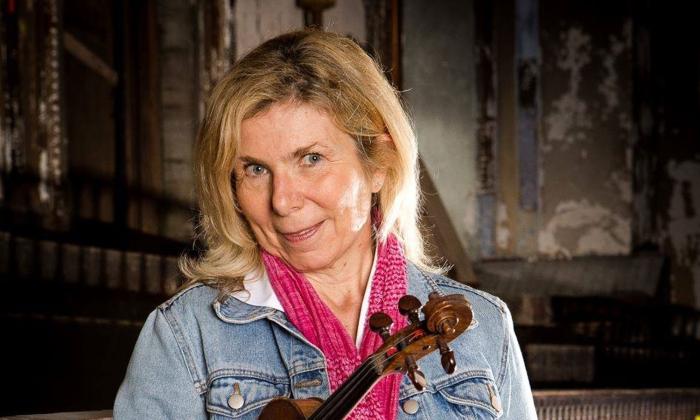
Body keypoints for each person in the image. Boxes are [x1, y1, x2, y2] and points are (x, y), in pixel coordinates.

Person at [114, 29, 537, 419]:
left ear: (379, 164)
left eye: (311, 159)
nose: (282, 201)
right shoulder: (185, 335)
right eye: (256, 170)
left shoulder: (485, 326)